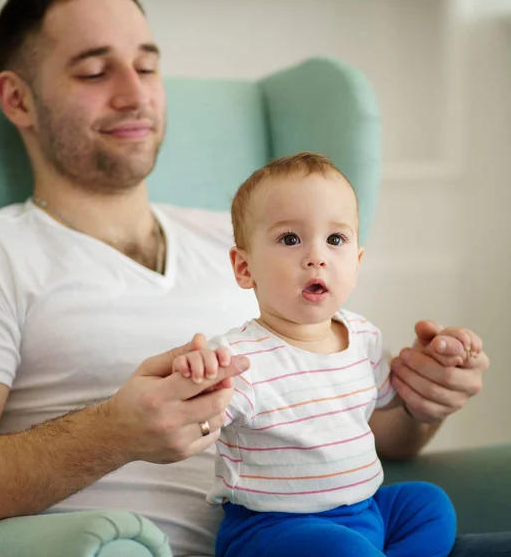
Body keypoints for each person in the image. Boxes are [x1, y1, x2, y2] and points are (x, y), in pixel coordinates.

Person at [0, 0, 500, 557]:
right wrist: (111, 434)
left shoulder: (260, 237)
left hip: (351, 526)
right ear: (18, 99)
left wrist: (425, 400)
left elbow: (363, 429)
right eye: (93, 70)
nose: (134, 93)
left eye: (147, 66)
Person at [173, 152, 472, 556]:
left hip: (365, 512)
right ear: (245, 268)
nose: (317, 256)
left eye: (336, 240)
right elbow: (192, 421)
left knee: (429, 506)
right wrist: (194, 379)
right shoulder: (238, 357)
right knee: (343, 550)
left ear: (357, 261)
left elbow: (398, 400)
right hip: (275, 531)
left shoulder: (362, 337)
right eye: (290, 239)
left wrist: (437, 358)